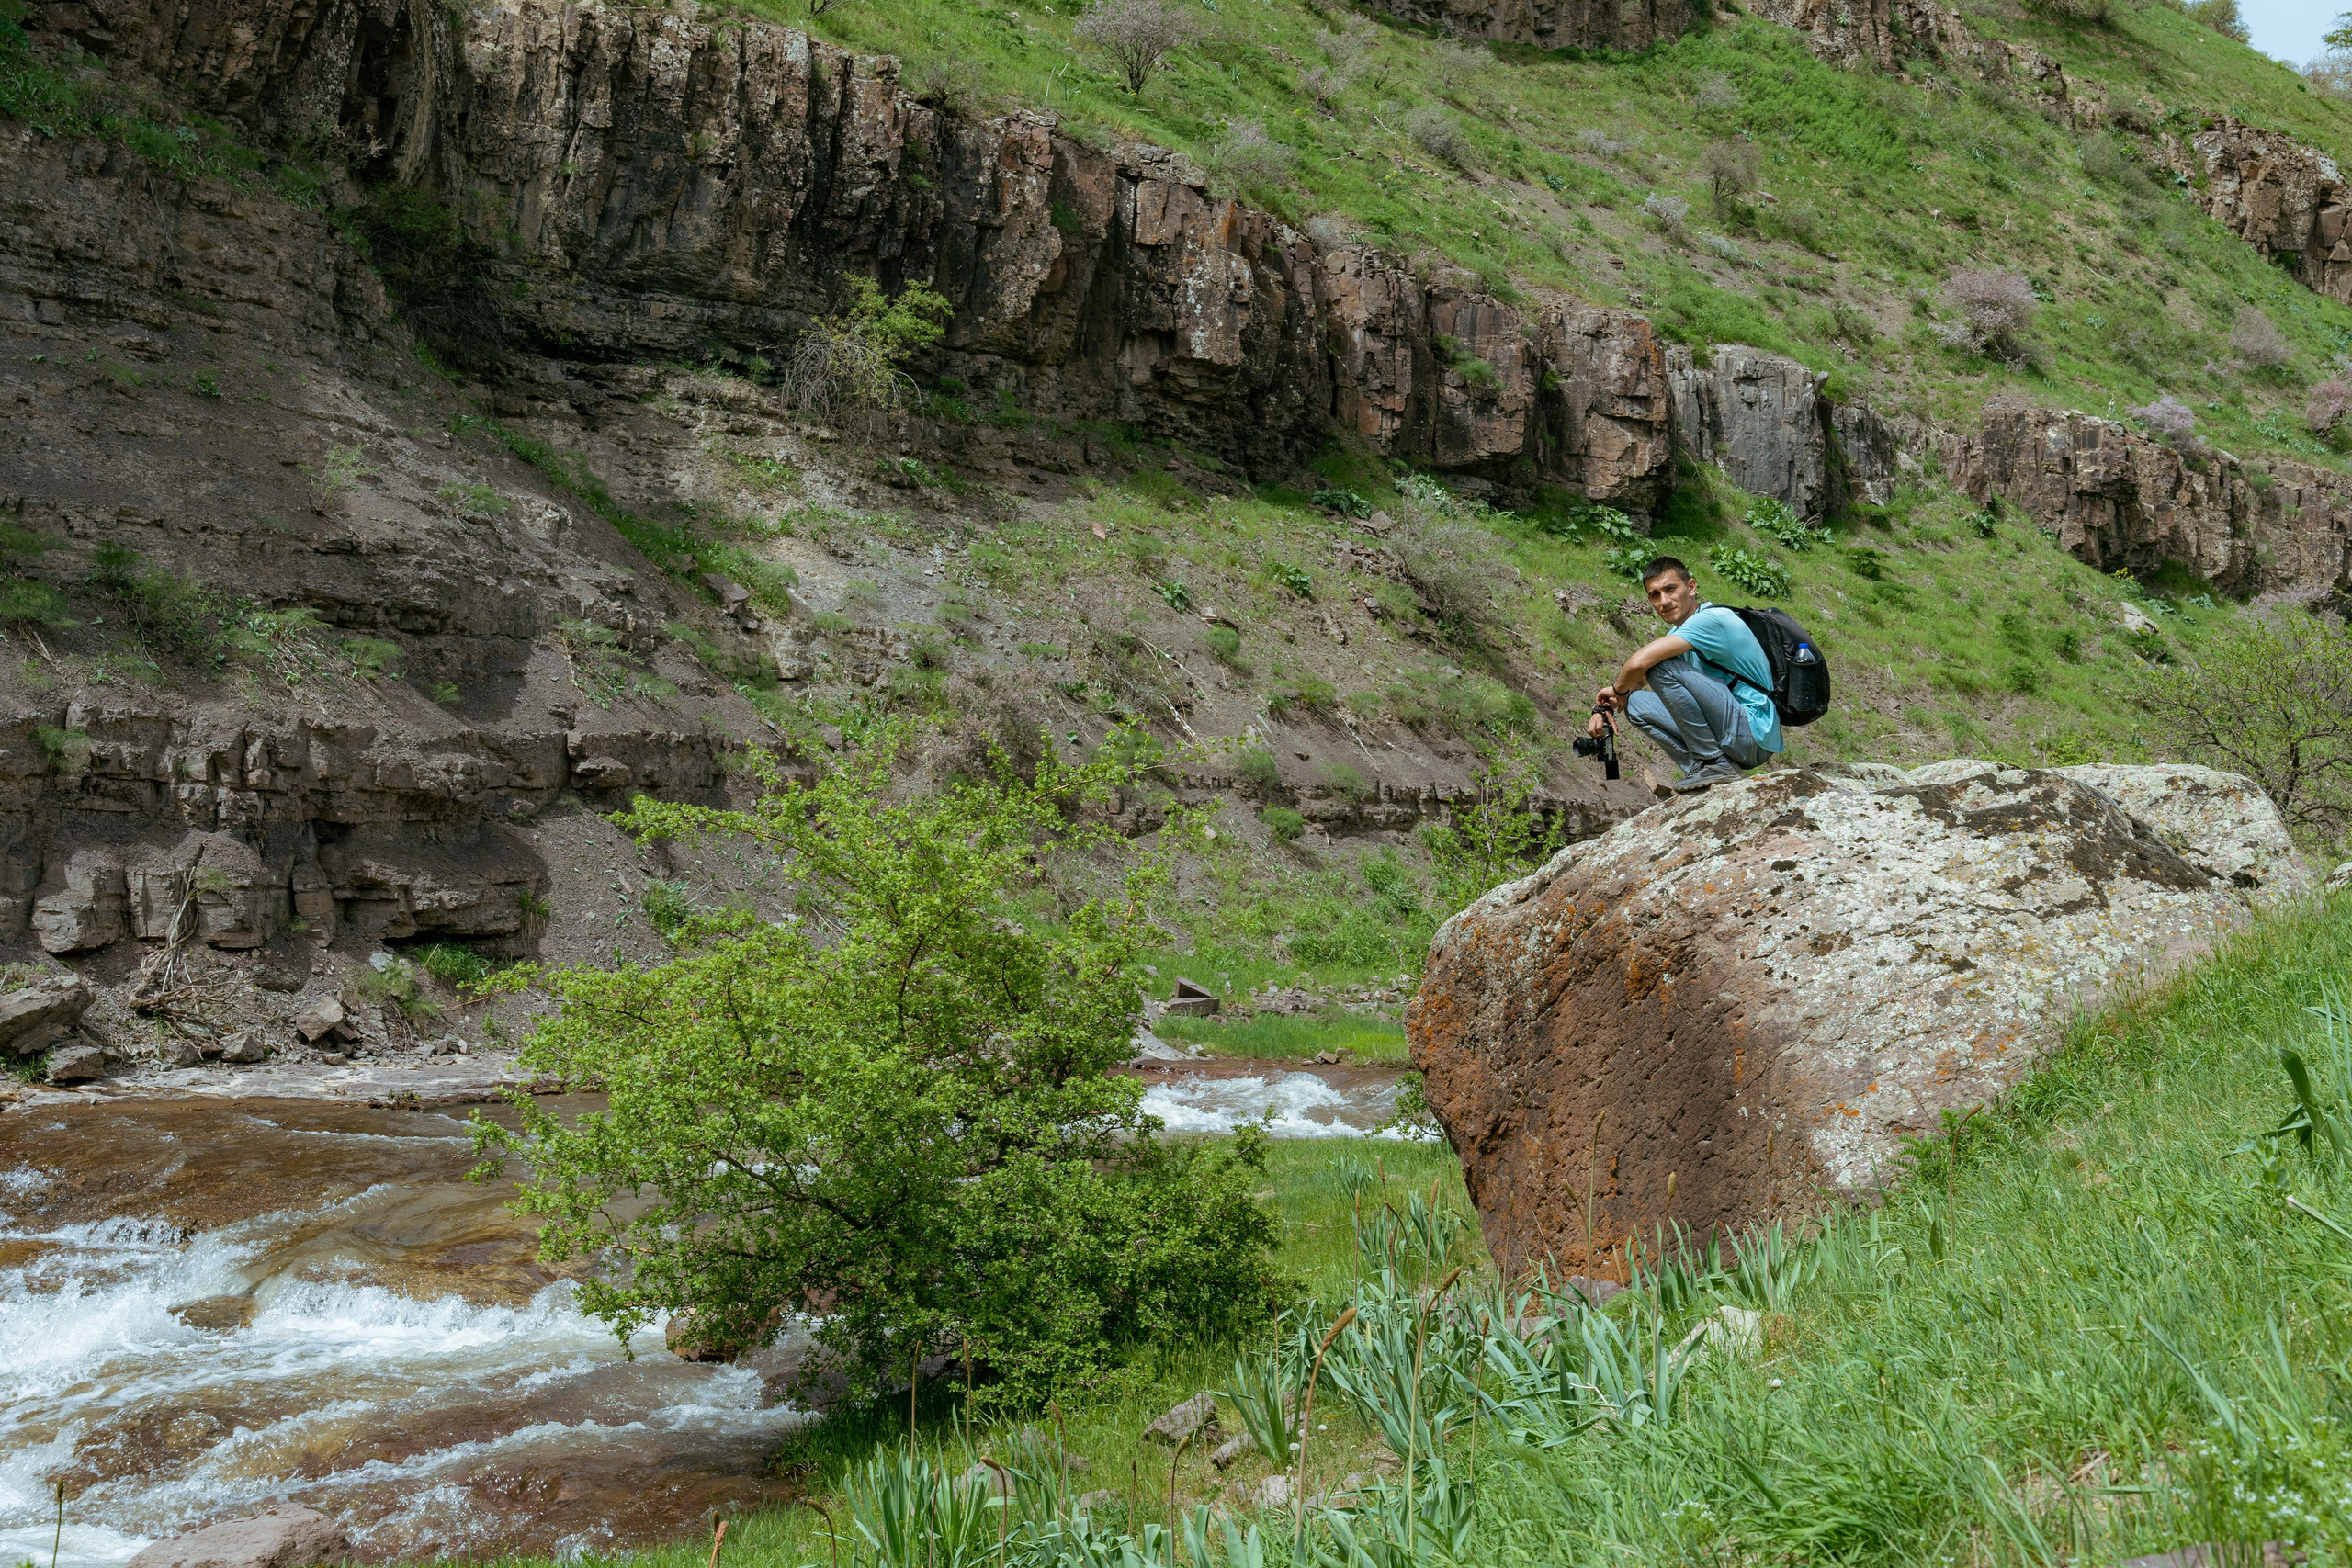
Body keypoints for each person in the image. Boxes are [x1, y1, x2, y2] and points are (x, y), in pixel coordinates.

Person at [1585, 555, 1784, 793]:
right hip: (1732, 732)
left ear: (1691, 587)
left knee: (1660, 667)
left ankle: (1712, 761)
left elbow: (1640, 663)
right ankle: (1703, 768)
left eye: (1670, 589)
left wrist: (1617, 688)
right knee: (1636, 704)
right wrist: (1604, 708)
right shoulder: (1679, 633)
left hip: (1752, 732)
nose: (1664, 601)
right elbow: (1635, 685)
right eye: (1655, 595)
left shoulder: (1711, 620)